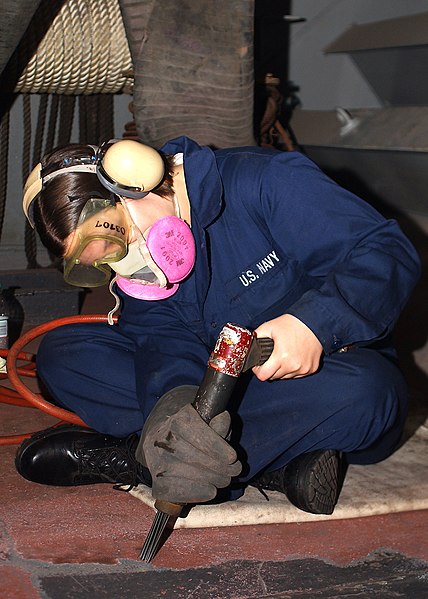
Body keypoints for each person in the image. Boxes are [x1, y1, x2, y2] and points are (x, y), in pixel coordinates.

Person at [15, 136, 421, 516]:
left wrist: (313, 323)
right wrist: (170, 406)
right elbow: (159, 339)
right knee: (64, 355)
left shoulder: (264, 180)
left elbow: (386, 252)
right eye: (106, 260)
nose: (129, 263)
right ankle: (244, 462)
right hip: (209, 381)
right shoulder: (140, 270)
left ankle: (140, 459)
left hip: (313, 376)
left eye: (118, 242)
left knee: (367, 393)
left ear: (135, 181)